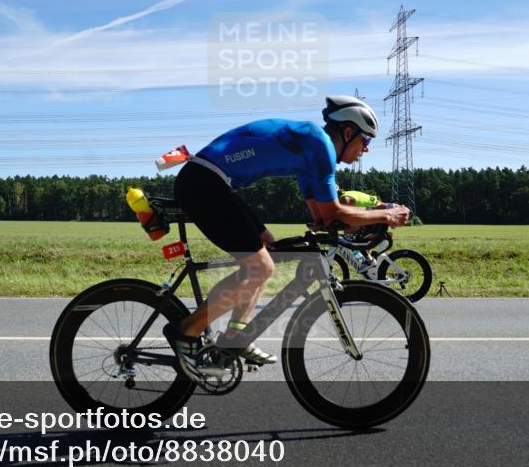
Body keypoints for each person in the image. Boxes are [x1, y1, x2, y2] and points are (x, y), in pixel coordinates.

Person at [164, 95, 411, 379]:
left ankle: (235, 337)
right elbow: (332, 214)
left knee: (271, 250)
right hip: (204, 182)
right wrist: (384, 216)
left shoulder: (313, 152)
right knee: (260, 266)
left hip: (216, 182)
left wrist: (371, 213)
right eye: (365, 141)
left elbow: (321, 218)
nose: (365, 150)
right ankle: (185, 332)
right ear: (347, 132)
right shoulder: (319, 145)